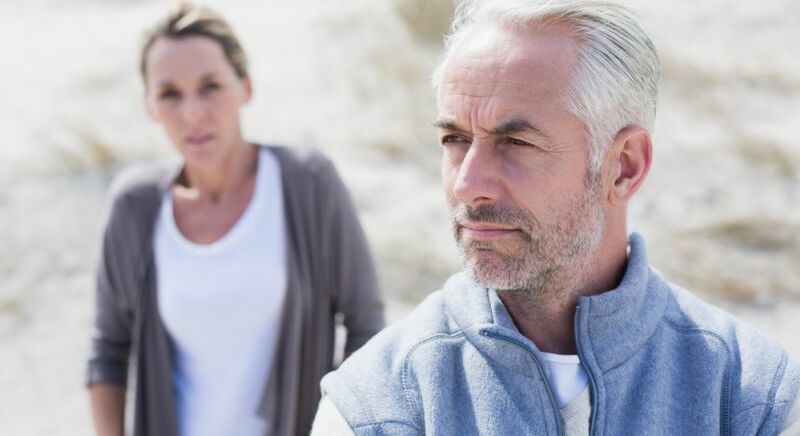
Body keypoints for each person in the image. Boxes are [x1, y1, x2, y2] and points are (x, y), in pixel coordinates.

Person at [311, 0, 800, 434]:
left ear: (624, 167)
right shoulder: (375, 408)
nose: (467, 184)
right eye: (455, 139)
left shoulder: (755, 399)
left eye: (515, 143)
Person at [85, 4, 385, 436]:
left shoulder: (308, 184)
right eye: (169, 93)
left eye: (210, 86)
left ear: (245, 86)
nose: (192, 113)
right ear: (149, 105)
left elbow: (366, 328)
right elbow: (108, 352)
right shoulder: (133, 207)